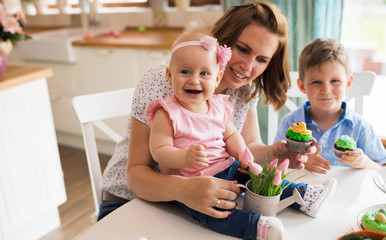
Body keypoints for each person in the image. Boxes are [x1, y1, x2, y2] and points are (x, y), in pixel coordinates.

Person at [98, 1, 318, 222]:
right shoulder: (166, 81)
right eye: (242, 49)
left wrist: (278, 152)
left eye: (261, 59)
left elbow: (247, 147)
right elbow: (137, 174)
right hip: (129, 202)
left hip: (184, 206)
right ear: (222, 41)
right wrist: (183, 189)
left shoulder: (244, 90)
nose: (248, 67)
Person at [145, 27, 336, 239]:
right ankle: (256, 228)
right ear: (170, 75)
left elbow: (231, 135)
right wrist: (185, 156)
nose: (194, 80)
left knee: (263, 178)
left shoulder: (217, 105)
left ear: (216, 79)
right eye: (185, 72)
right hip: (195, 183)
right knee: (214, 213)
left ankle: (304, 195)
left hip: (230, 166)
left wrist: (243, 155)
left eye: (204, 73)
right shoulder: (167, 112)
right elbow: (159, 151)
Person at [274, 38, 386, 174]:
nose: (326, 90)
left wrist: (364, 162)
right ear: (302, 86)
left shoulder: (360, 127)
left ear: (348, 83)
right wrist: (298, 159)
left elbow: (381, 169)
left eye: (335, 81)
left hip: (347, 193)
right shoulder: (290, 122)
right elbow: (275, 161)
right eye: (316, 82)